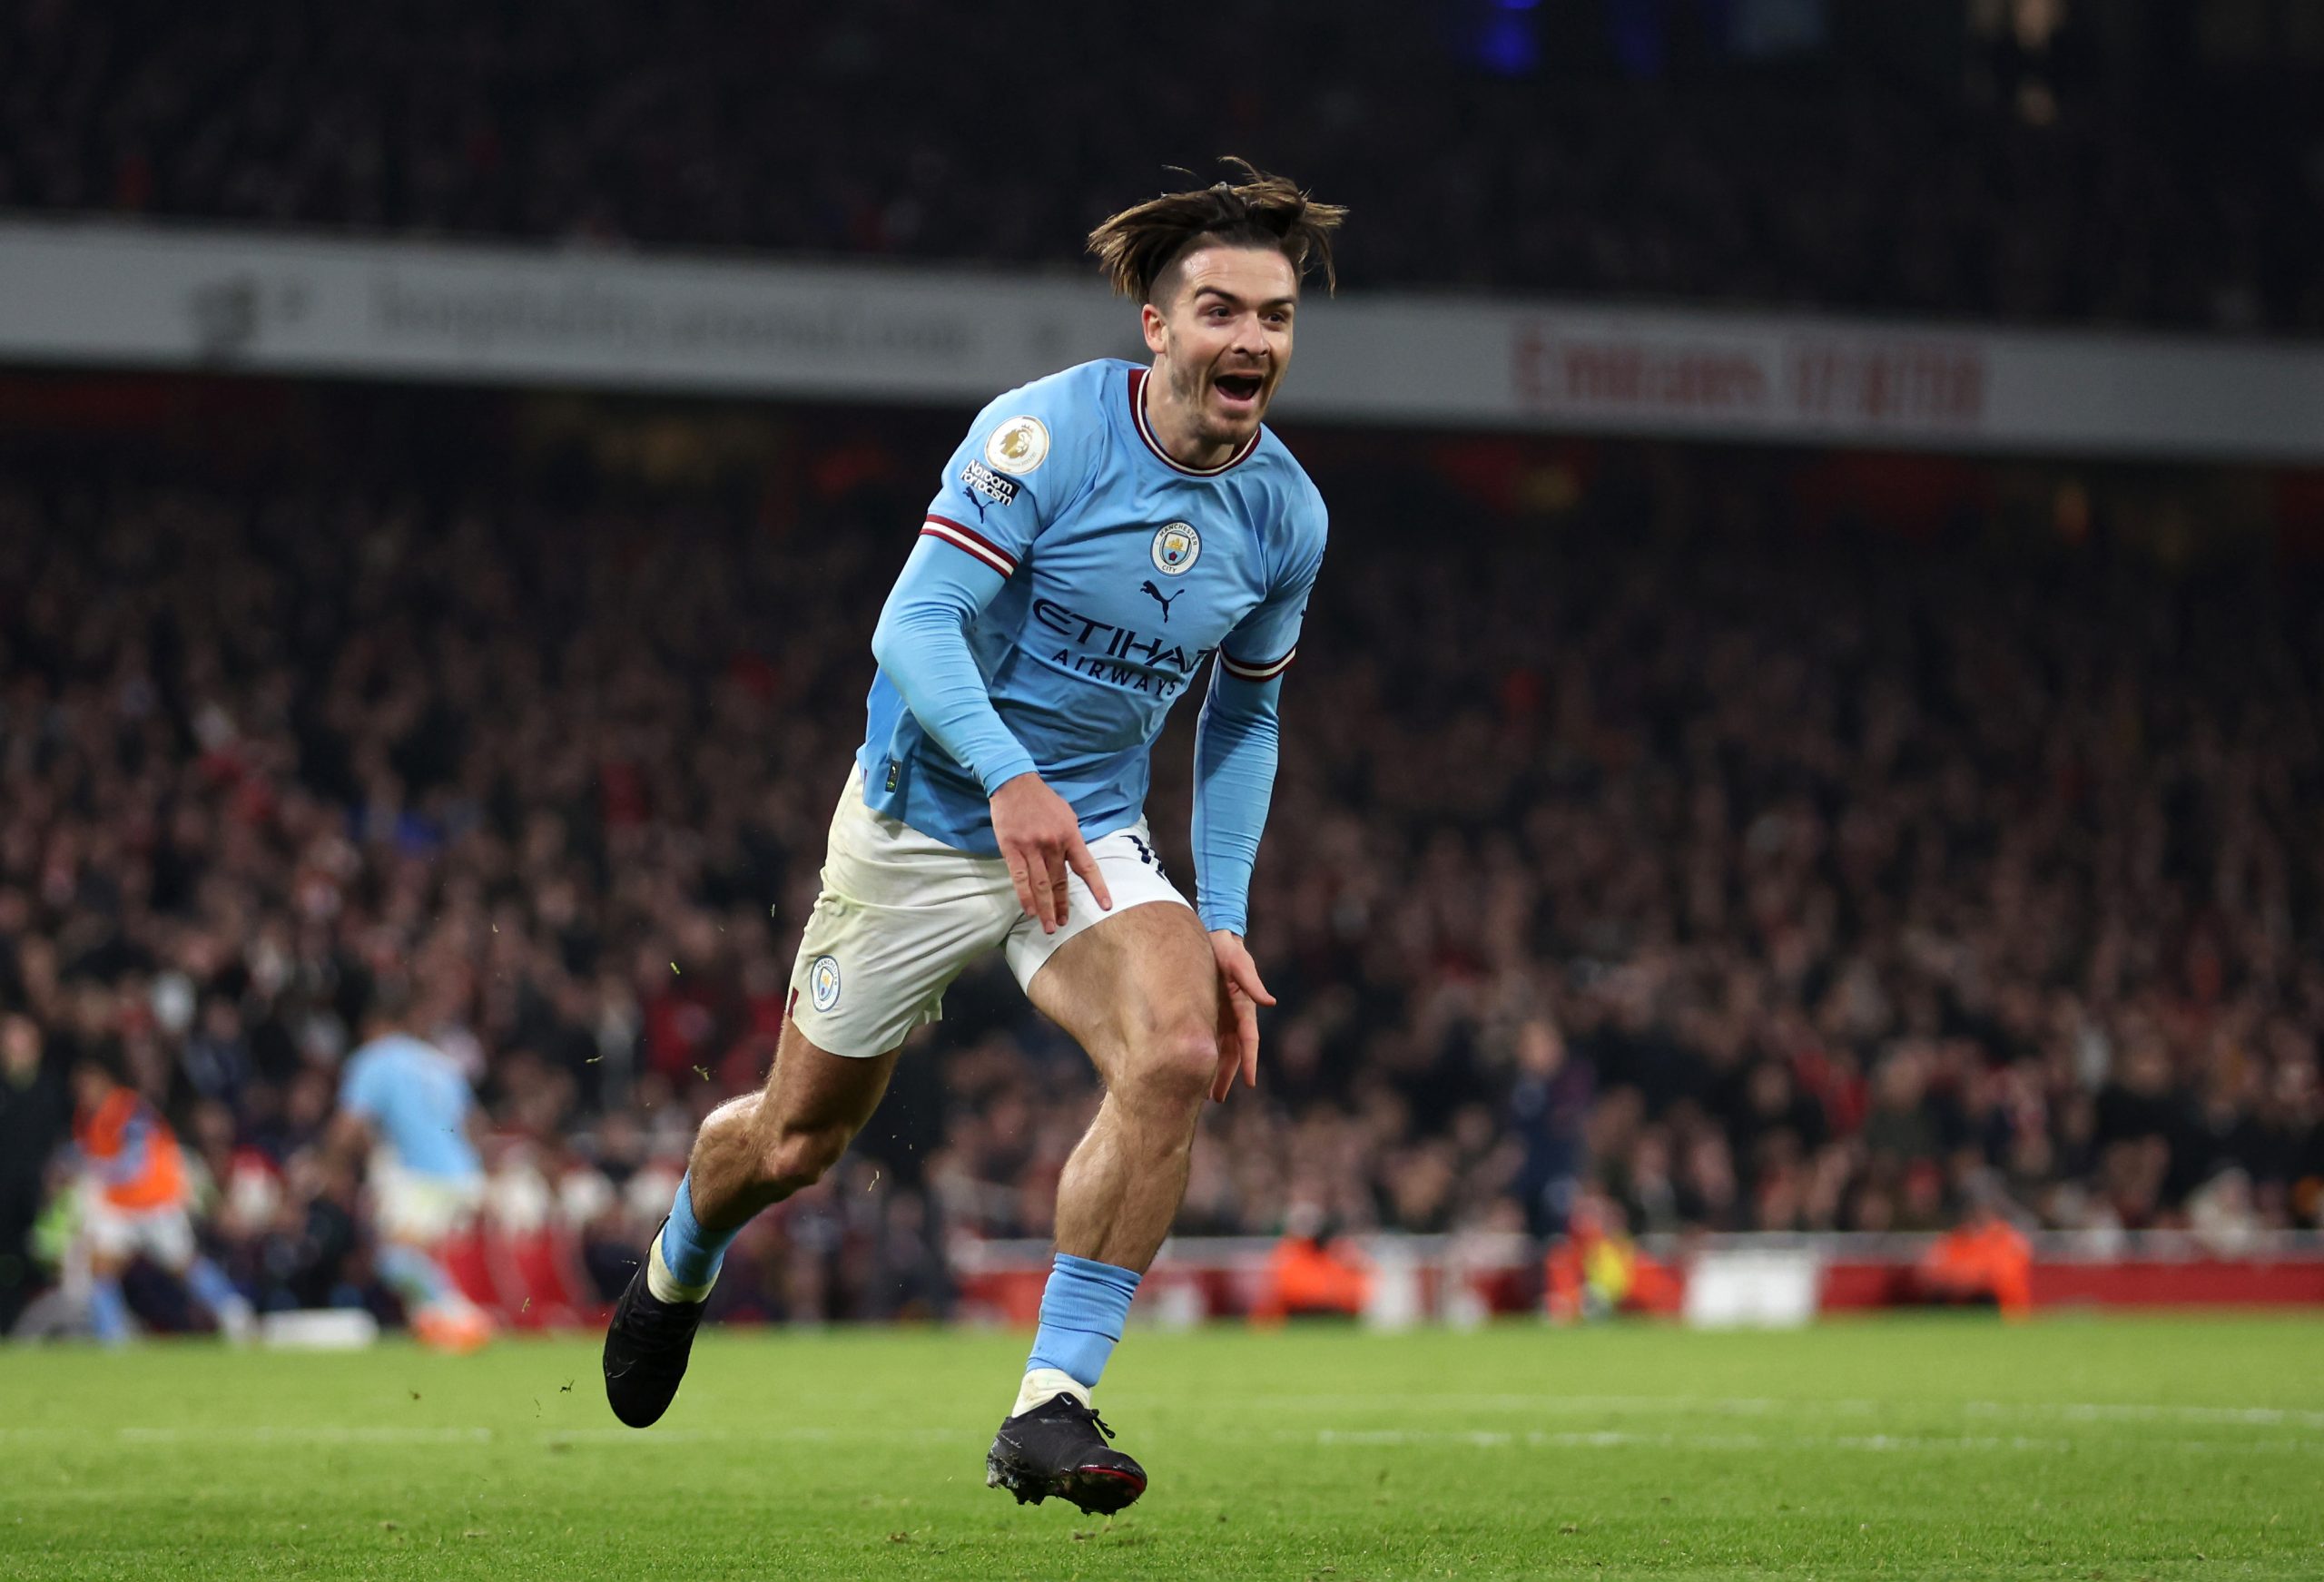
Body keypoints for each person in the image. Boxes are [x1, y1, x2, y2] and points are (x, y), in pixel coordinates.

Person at [603, 161, 1344, 1515]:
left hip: (1089, 833)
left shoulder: (1286, 514)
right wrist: (1007, 774)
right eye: (1224, 310)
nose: (1253, 340)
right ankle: (680, 1253)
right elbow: (914, 625)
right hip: (927, 819)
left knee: (1177, 1047)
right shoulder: (1042, 435)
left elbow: (1242, 724)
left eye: (1278, 316)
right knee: (793, 1144)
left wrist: (1223, 917)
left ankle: (1049, 1402)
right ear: (1158, 326)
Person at [330, 997, 494, 1351]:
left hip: (421, 1178)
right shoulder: (440, 1063)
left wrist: (328, 1167)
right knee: (419, 1258)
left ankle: (462, 1317)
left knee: (395, 1259)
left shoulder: (374, 1059)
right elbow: (474, 1125)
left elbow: (349, 1125)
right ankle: (435, 1329)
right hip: (465, 1175)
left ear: (372, 1027)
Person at [68, 1054, 254, 1344]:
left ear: (106, 1081)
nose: (85, 1091)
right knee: (101, 1267)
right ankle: (112, 1337)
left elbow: (134, 1158)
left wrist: (98, 1170)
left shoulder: (127, 1110)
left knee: (183, 1264)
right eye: (80, 1086)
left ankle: (234, 1312)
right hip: (120, 1203)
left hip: (155, 1197)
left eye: (89, 1083)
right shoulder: (86, 1116)